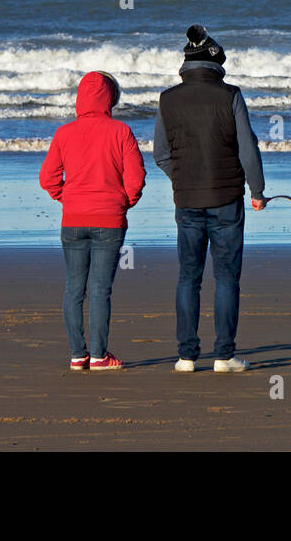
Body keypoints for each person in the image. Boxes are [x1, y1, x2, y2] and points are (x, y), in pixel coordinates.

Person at [153, 26, 266, 373]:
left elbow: (160, 154)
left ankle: (186, 356)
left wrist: (183, 178)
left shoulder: (167, 99)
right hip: (227, 199)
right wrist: (257, 190)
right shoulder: (231, 95)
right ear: (216, 64)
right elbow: (247, 148)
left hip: (187, 200)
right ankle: (224, 355)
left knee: (188, 276)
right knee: (227, 278)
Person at [38, 71, 145, 371]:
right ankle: (98, 355)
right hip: (109, 220)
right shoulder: (121, 131)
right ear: (111, 98)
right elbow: (135, 179)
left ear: (80, 99)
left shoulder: (64, 133)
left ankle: (77, 354)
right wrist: (122, 203)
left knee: (74, 287)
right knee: (100, 289)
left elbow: (47, 178)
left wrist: (66, 198)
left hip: (72, 220)